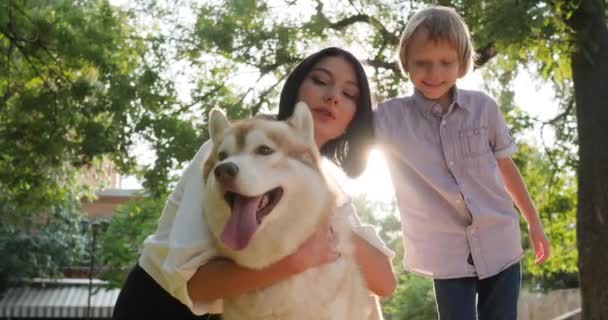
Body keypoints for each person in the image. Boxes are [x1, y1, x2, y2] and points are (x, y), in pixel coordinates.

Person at [112, 47, 396, 319]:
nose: (333, 96)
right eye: (321, 81)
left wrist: (326, 214)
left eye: (348, 93)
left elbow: (384, 282)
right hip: (160, 307)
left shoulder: (328, 184)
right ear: (296, 89)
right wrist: (296, 262)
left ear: (353, 118)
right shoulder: (229, 152)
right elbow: (194, 283)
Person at [373, 6, 551, 320]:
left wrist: (534, 223)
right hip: (445, 252)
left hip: (499, 239)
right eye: (422, 63)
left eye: (446, 62)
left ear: (462, 63)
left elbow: (507, 169)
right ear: (406, 63)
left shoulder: (484, 109)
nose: (434, 73)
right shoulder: (390, 118)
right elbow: (346, 131)